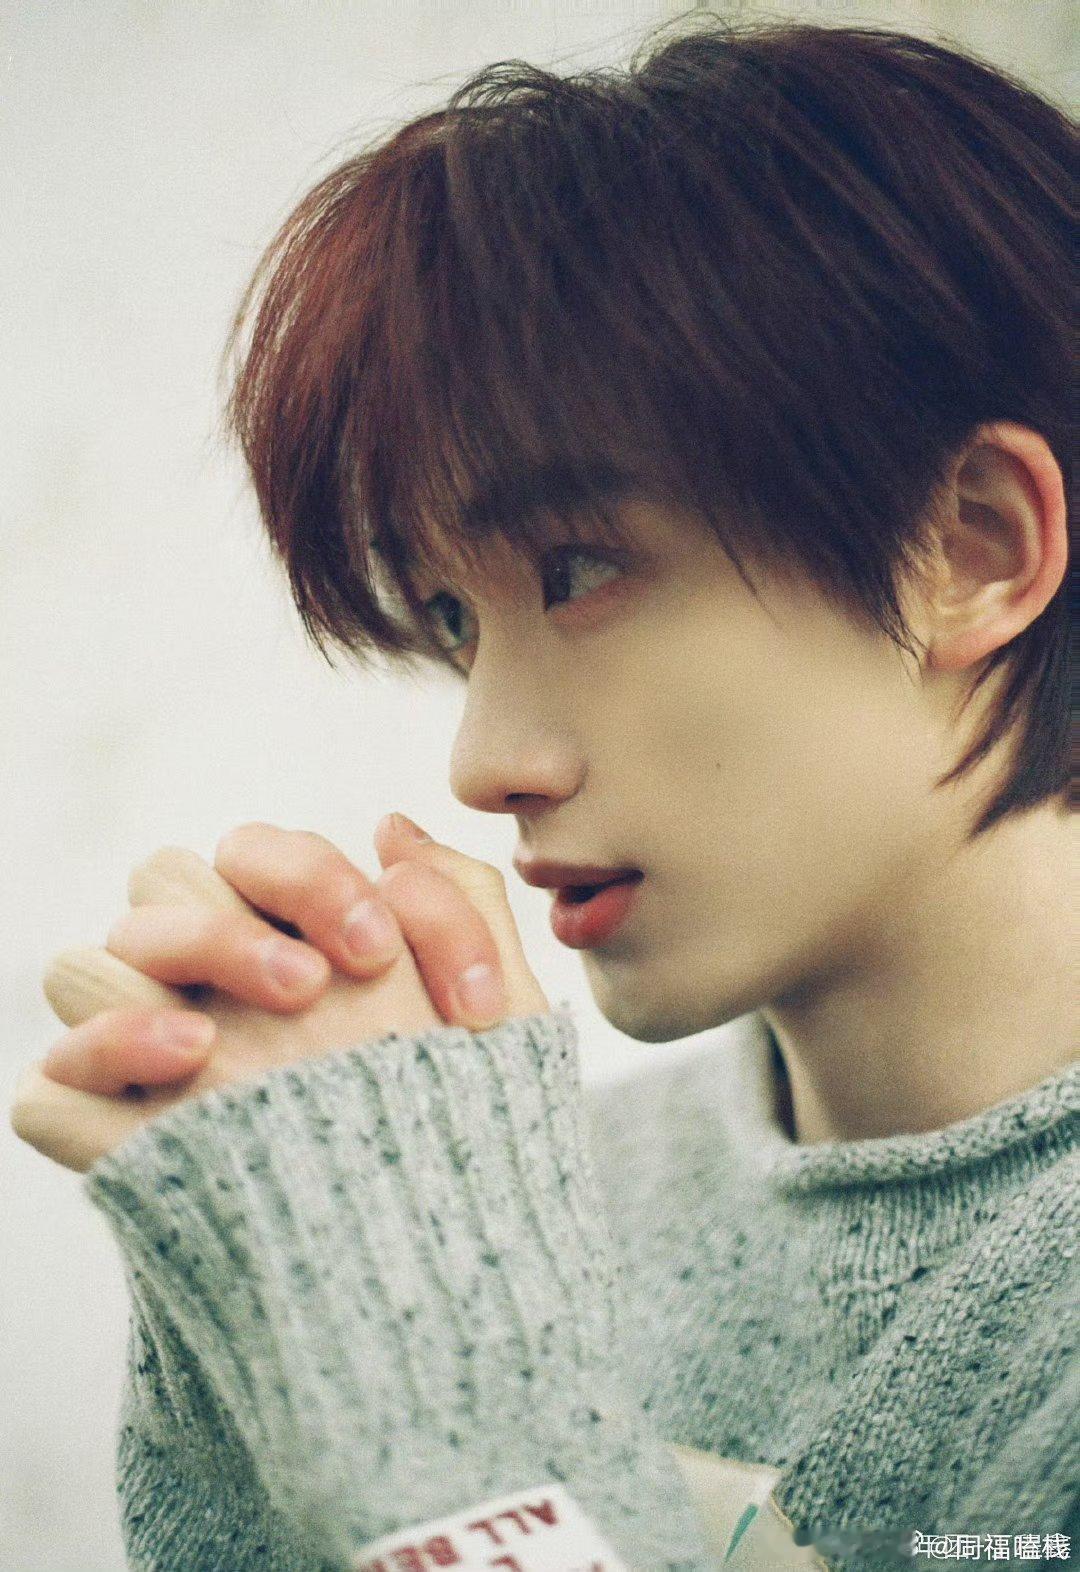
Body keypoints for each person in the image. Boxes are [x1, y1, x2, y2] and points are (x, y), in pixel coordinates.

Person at [10, 15, 1077, 1571]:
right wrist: (281, 1272)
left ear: (973, 545)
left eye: (576, 570)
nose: (484, 760)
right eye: (451, 619)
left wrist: (427, 1364)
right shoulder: (531, 1198)